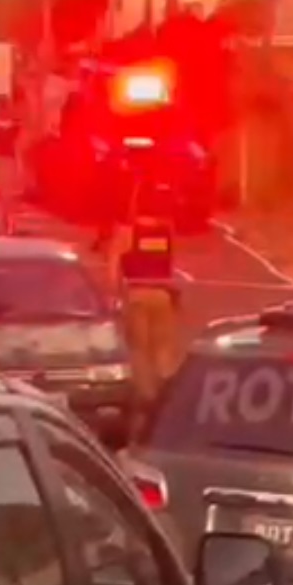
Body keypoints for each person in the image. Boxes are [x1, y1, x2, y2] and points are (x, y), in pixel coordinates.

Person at [113, 177, 182, 433]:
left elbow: (114, 268)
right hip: (162, 295)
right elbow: (170, 264)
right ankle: (166, 394)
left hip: (137, 295)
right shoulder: (166, 230)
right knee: (163, 351)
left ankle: (147, 401)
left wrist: (115, 296)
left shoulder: (128, 232)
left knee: (140, 351)